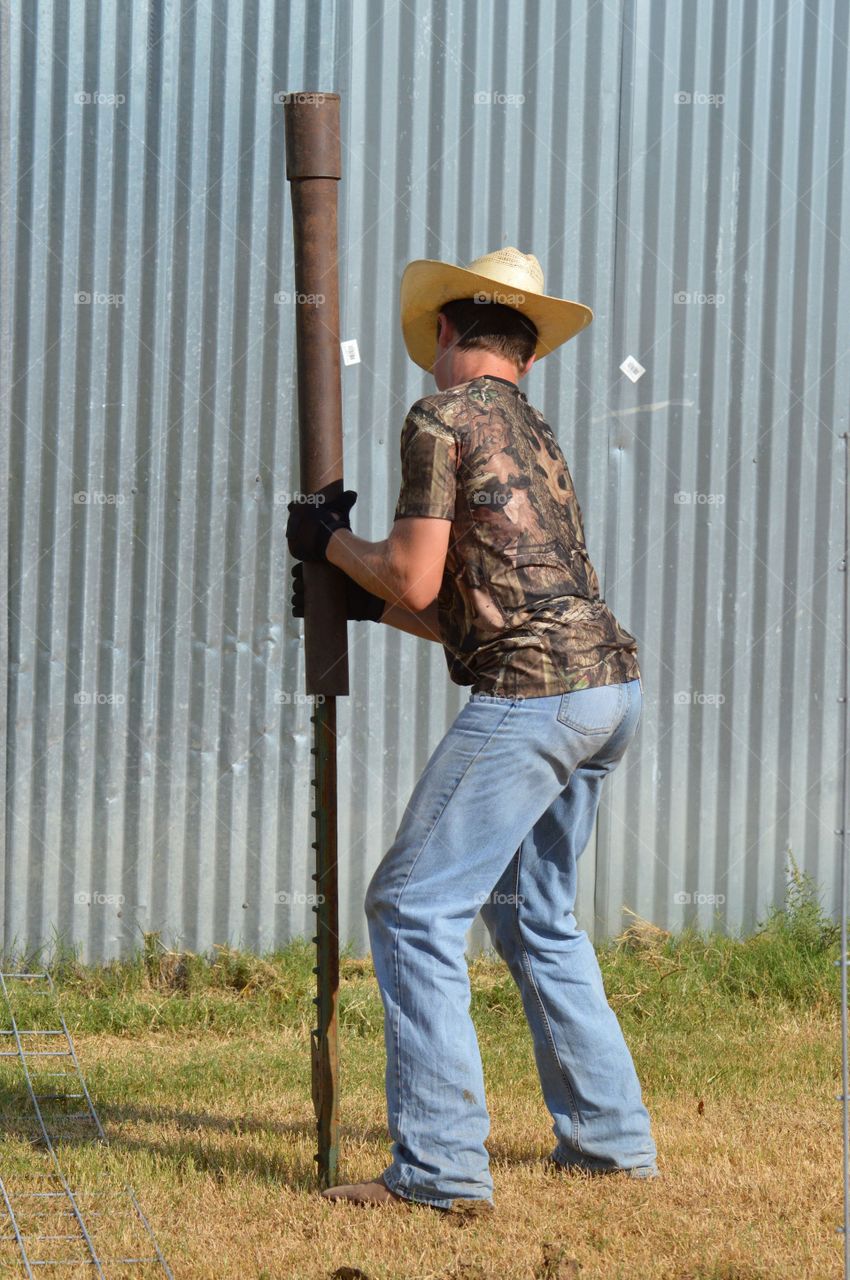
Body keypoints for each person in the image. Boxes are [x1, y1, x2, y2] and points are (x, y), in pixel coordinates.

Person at [285, 248, 659, 1216]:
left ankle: (441, 1172)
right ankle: (610, 1140)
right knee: (534, 914)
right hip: (608, 688)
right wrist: (361, 597)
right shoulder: (534, 433)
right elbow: (473, 600)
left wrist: (328, 540)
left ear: (444, 333)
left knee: (411, 908)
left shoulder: (441, 417)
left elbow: (412, 575)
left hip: (534, 697)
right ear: (525, 357)